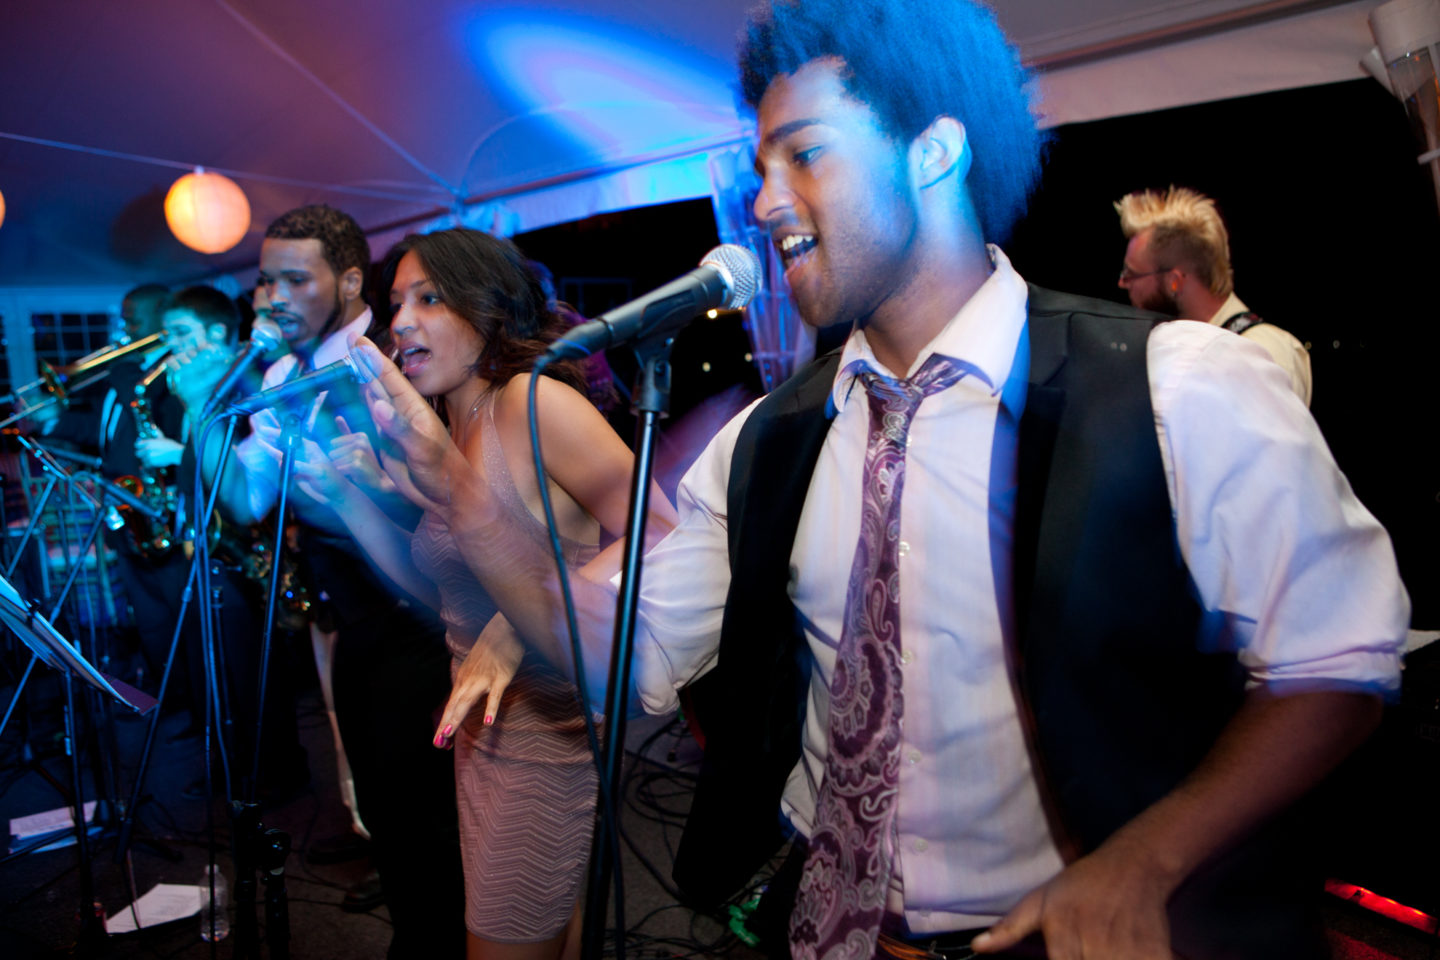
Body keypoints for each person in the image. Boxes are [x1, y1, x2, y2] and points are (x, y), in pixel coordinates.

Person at [344, 1, 1408, 957]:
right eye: (759, 165)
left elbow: (1340, 664)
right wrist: (479, 523)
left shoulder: (1178, 386)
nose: (763, 203)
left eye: (803, 154)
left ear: (934, 153)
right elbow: (623, 664)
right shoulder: (772, 440)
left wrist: (1150, 858)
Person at [295, 227, 675, 960]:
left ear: (487, 308)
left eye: (429, 299)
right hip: (480, 730)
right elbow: (436, 589)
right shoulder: (443, 428)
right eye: (395, 302)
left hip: (544, 729)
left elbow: (660, 529)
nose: (399, 322)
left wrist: (518, 623)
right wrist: (345, 502)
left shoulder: (532, 404)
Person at [180, 204, 463, 954]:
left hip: (430, 621)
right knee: (382, 806)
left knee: (433, 816)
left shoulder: (393, 356)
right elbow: (244, 501)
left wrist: (361, 491)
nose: (270, 297)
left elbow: (454, 510)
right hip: (356, 625)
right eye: (264, 280)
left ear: (344, 281)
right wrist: (204, 415)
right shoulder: (278, 374)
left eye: (293, 280)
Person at [158, 284, 308, 799]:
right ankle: (238, 769)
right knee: (222, 672)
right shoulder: (196, 382)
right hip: (210, 544)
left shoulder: (246, 381)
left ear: (218, 334)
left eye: (180, 333)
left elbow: (247, 478)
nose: (169, 345)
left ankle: (275, 776)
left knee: (253, 671)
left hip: (245, 544)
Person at [1116, 185, 1313, 405]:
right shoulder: (1185, 348)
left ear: (1175, 282)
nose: (1122, 283)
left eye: (1131, 274)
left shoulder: (1262, 353)